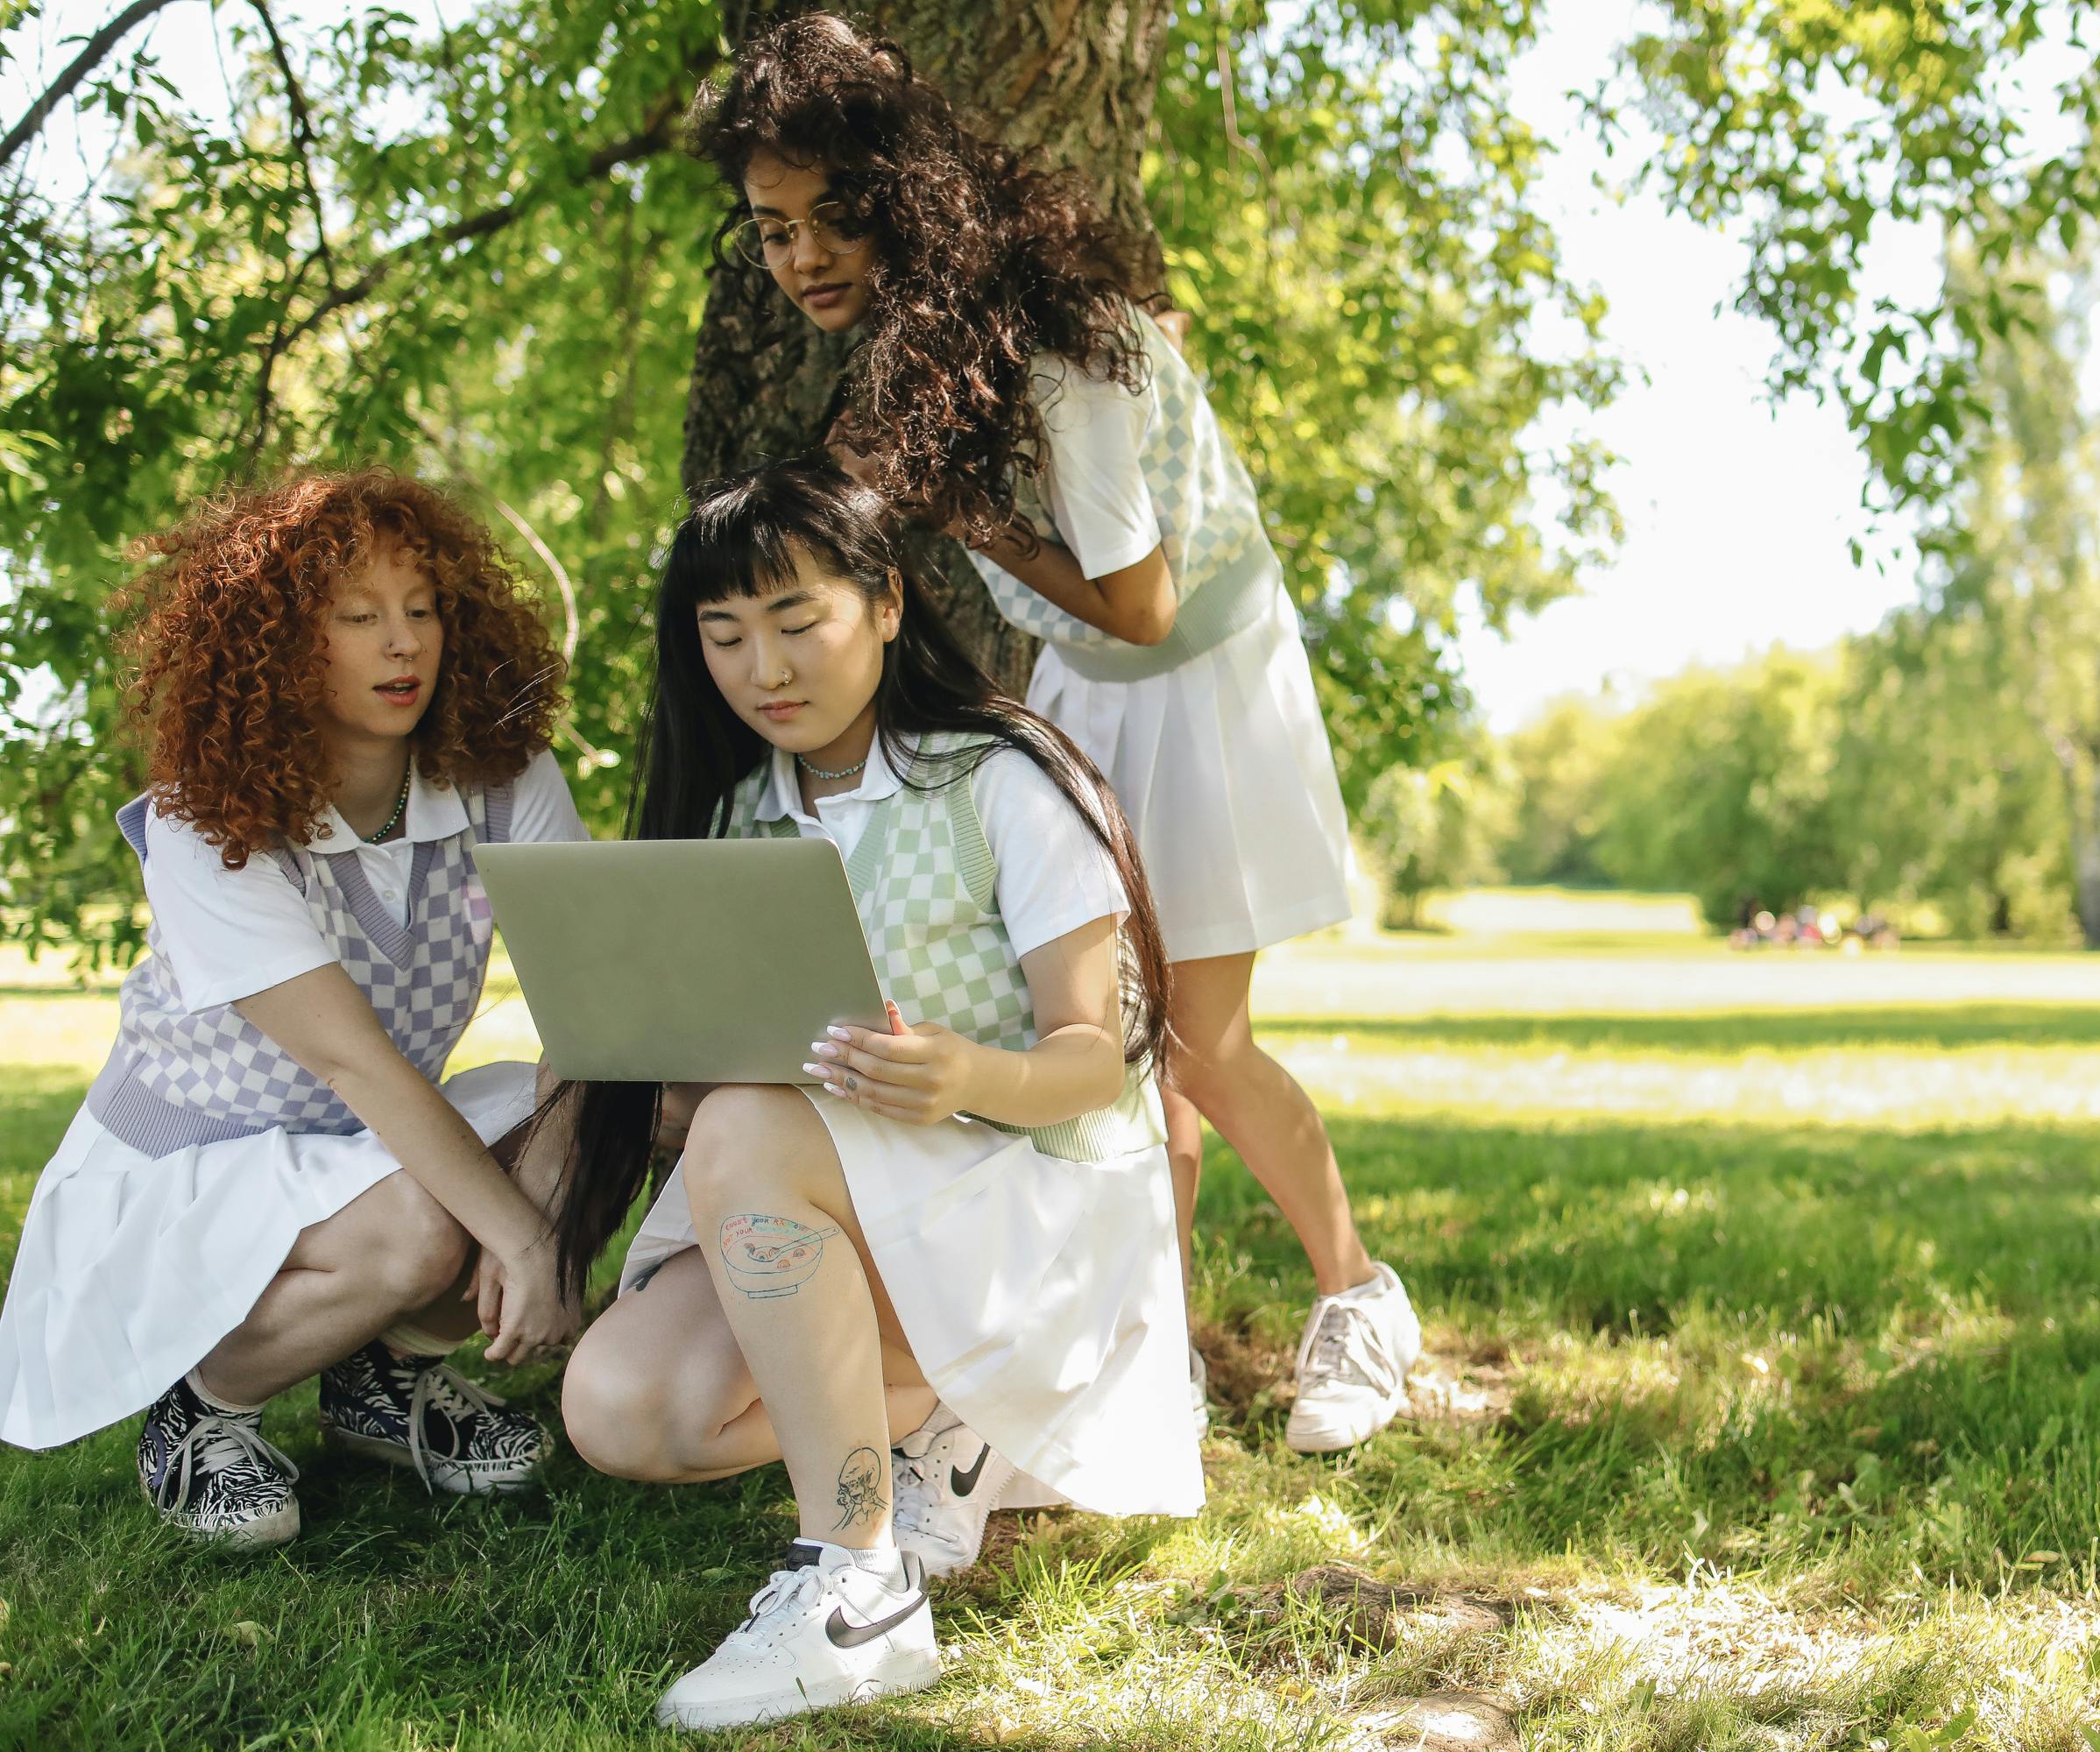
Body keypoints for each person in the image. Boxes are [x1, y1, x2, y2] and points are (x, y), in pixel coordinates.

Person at [689, 14, 1422, 1460]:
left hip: (1198, 686)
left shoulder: (1057, 347)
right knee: (1112, 1042)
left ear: (907, 199)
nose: (807, 257)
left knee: (1201, 1044)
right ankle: (1154, 1347)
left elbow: (1146, 607)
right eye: (775, 231)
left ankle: (1361, 1298)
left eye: (838, 217)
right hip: (1093, 682)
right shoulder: (950, 336)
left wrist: (965, 517)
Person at [553, 463, 1198, 1732]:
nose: (765, 666)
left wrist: (967, 1074)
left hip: (1024, 1190)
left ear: (888, 603)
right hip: (824, 1199)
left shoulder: (1001, 776)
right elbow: (712, 1093)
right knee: (621, 1410)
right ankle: (966, 1414)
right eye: (725, 635)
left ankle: (854, 1580)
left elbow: (1096, 1056)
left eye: (799, 620)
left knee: (749, 1127)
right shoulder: (734, 815)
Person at [0, 470, 585, 1545]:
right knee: (420, 1224)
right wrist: (524, 1237)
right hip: (191, 1168)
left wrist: (552, 1201)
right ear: (276, 643)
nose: (402, 644)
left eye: (422, 609)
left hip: (360, 1151)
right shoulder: (203, 821)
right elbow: (356, 1065)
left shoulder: (505, 776)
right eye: (358, 617)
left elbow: (596, 1001)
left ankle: (383, 1379)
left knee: (622, 1103)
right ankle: (205, 1404)